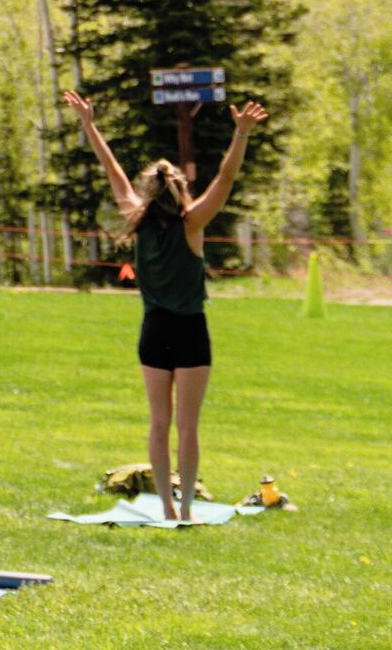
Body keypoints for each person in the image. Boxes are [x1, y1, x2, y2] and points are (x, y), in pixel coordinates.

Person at [65, 85, 267, 521]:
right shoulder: (192, 224)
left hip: (154, 331)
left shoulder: (137, 221)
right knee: (187, 427)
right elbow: (224, 180)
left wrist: (89, 125)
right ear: (178, 190)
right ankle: (187, 508)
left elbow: (112, 169)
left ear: (150, 191)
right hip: (191, 330)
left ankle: (168, 508)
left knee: (159, 424)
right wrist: (241, 134)